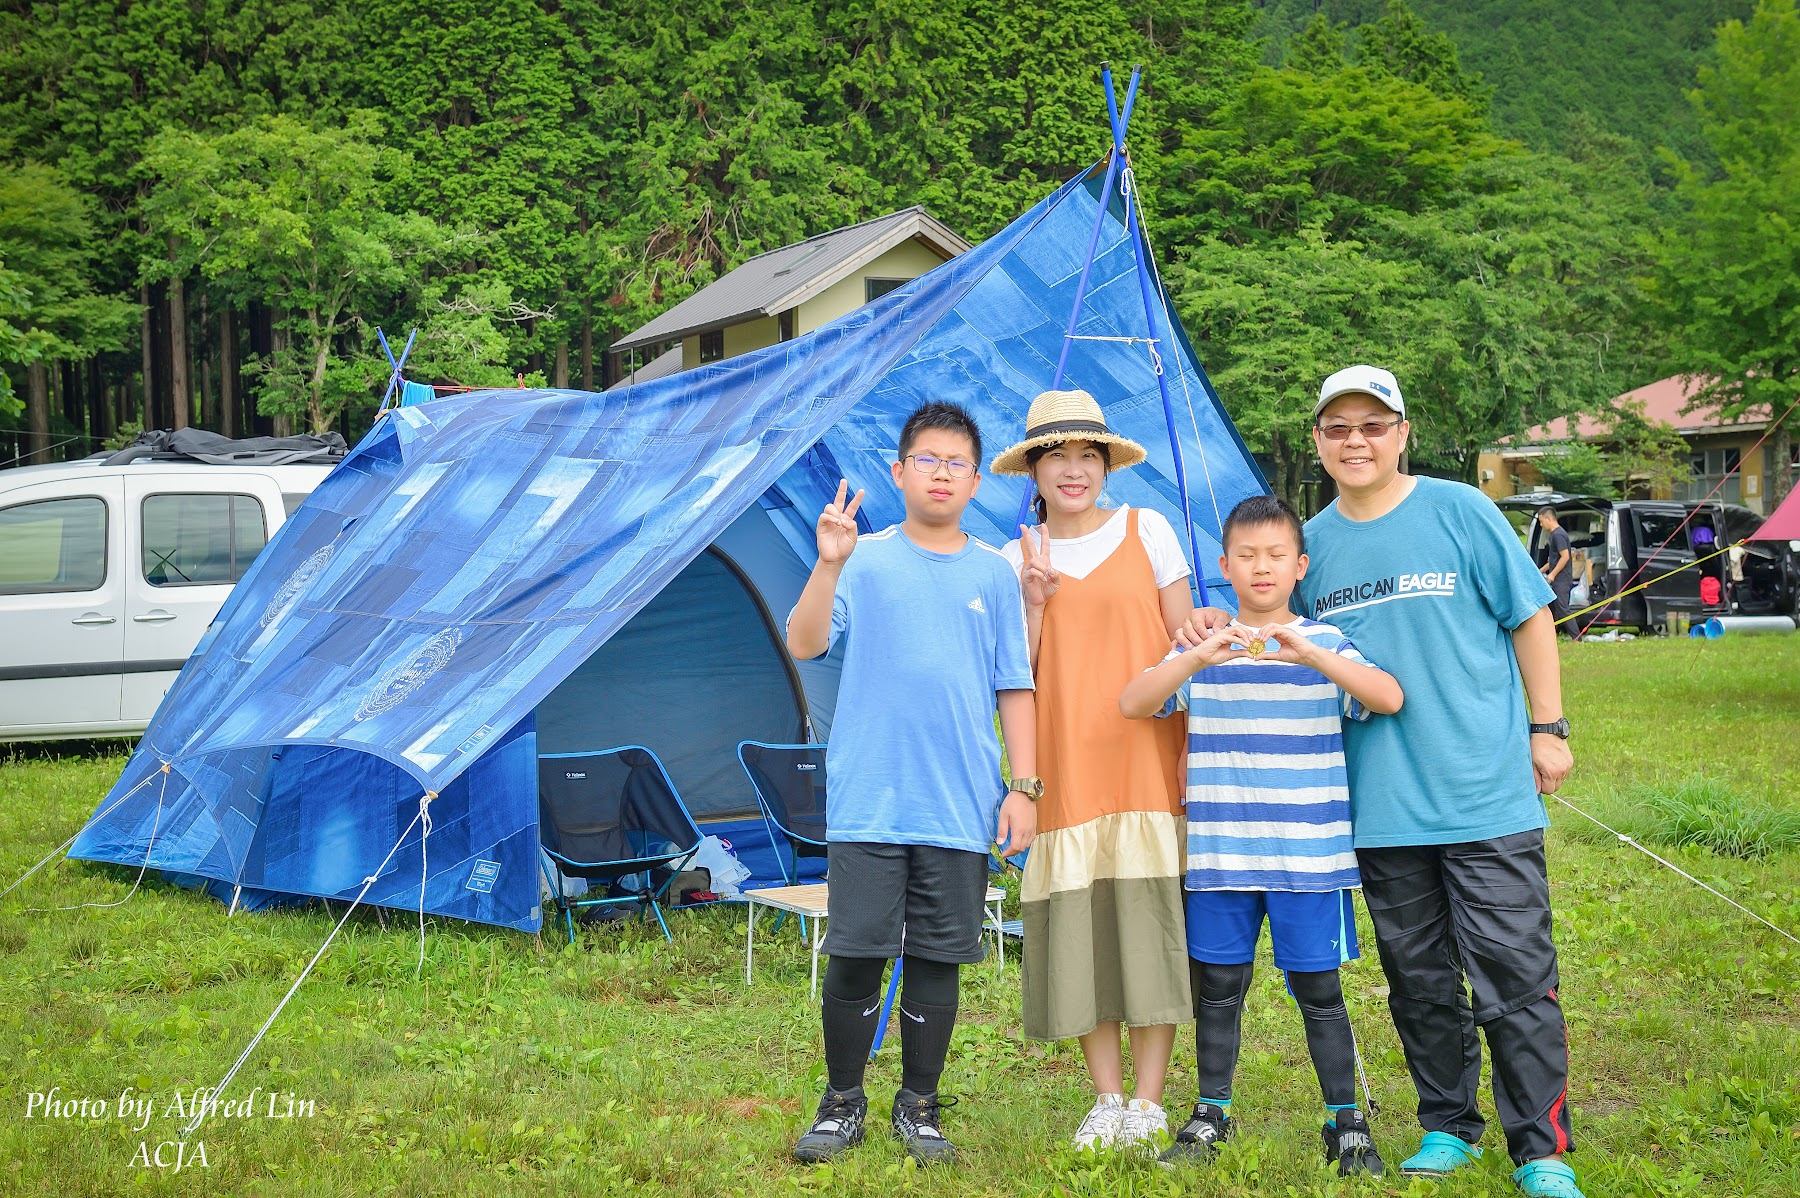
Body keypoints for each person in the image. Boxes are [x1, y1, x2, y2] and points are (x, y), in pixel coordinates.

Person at [1293, 365, 1584, 1198]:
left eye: (1373, 426)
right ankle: (1447, 1124)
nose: (1356, 441)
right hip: (1382, 806)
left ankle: (1541, 1148)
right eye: (1338, 428)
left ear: (1402, 433)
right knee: (1418, 980)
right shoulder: (1314, 546)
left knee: (1516, 976)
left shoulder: (1459, 509)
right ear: (1318, 440)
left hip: (1482, 791)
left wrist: (1548, 727)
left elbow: (1529, 615)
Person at [784, 400, 1040, 1167]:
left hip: (959, 803)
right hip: (871, 796)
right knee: (857, 953)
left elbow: (1014, 686)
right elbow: (805, 643)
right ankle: (841, 1102)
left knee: (937, 957)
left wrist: (1022, 786)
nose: (940, 474)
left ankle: (919, 1106)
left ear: (974, 482)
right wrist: (828, 562)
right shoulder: (863, 557)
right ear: (899, 472)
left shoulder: (995, 572)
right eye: (926, 460)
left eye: (956, 463)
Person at [1121, 493, 1404, 1176]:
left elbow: (1387, 696)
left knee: (1319, 989)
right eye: (1246, 557)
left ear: (1299, 565)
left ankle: (1347, 1121)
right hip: (1222, 855)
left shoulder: (1325, 645)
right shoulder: (1203, 649)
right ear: (1225, 565)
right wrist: (1195, 657)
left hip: (1309, 857)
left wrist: (1312, 655)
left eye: (1276, 555)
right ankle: (1210, 1111)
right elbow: (1134, 703)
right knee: (1219, 984)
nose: (1262, 568)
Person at [991, 389, 1193, 1153]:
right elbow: (1014, 675)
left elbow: (1186, 646)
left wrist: (1190, 755)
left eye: (1087, 455)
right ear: (1034, 471)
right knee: (1083, 938)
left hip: (1145, 763)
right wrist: (1035, 606)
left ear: (1106, 464)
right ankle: (1105, 1097)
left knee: (1149, 931)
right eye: (1056, 456)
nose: (1073, 470)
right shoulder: (1016, 558)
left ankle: (1149, 1102)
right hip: (1065, 771)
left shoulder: (1151, 531)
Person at [1535, 508, 1578, 639]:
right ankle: (1552, 635)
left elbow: (1565, 556)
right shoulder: (1555, 535)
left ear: (1549, 519)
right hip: (1558, 578)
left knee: (1563, 608)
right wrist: (1540, 570)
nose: (1541, 525)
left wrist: (1552, 574)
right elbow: (1554, 559)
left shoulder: (1558, 535)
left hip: (1562, 579)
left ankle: (1577, 637)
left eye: (1542, 522)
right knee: (1553, 608)